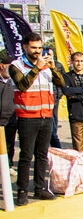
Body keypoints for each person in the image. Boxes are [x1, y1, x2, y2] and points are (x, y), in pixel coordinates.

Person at [9, 33, 64, 205]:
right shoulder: (16, 66)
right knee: (26, 156)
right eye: (34, 48)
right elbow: (22, 85)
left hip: (46, 116)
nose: (37, 51)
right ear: (25, 47)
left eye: (40, 48)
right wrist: (38, 68)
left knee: (42, 155)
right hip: (27, 117)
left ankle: (40, 188)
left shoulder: (46, 65)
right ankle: (22, 191)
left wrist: (53, 68)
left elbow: (61, 83)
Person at [0, 52, 16, 175]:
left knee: (10, 142)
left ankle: (9, 164)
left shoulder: (14, 82)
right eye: (9, 67)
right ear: (2, 66)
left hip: (11, 117)